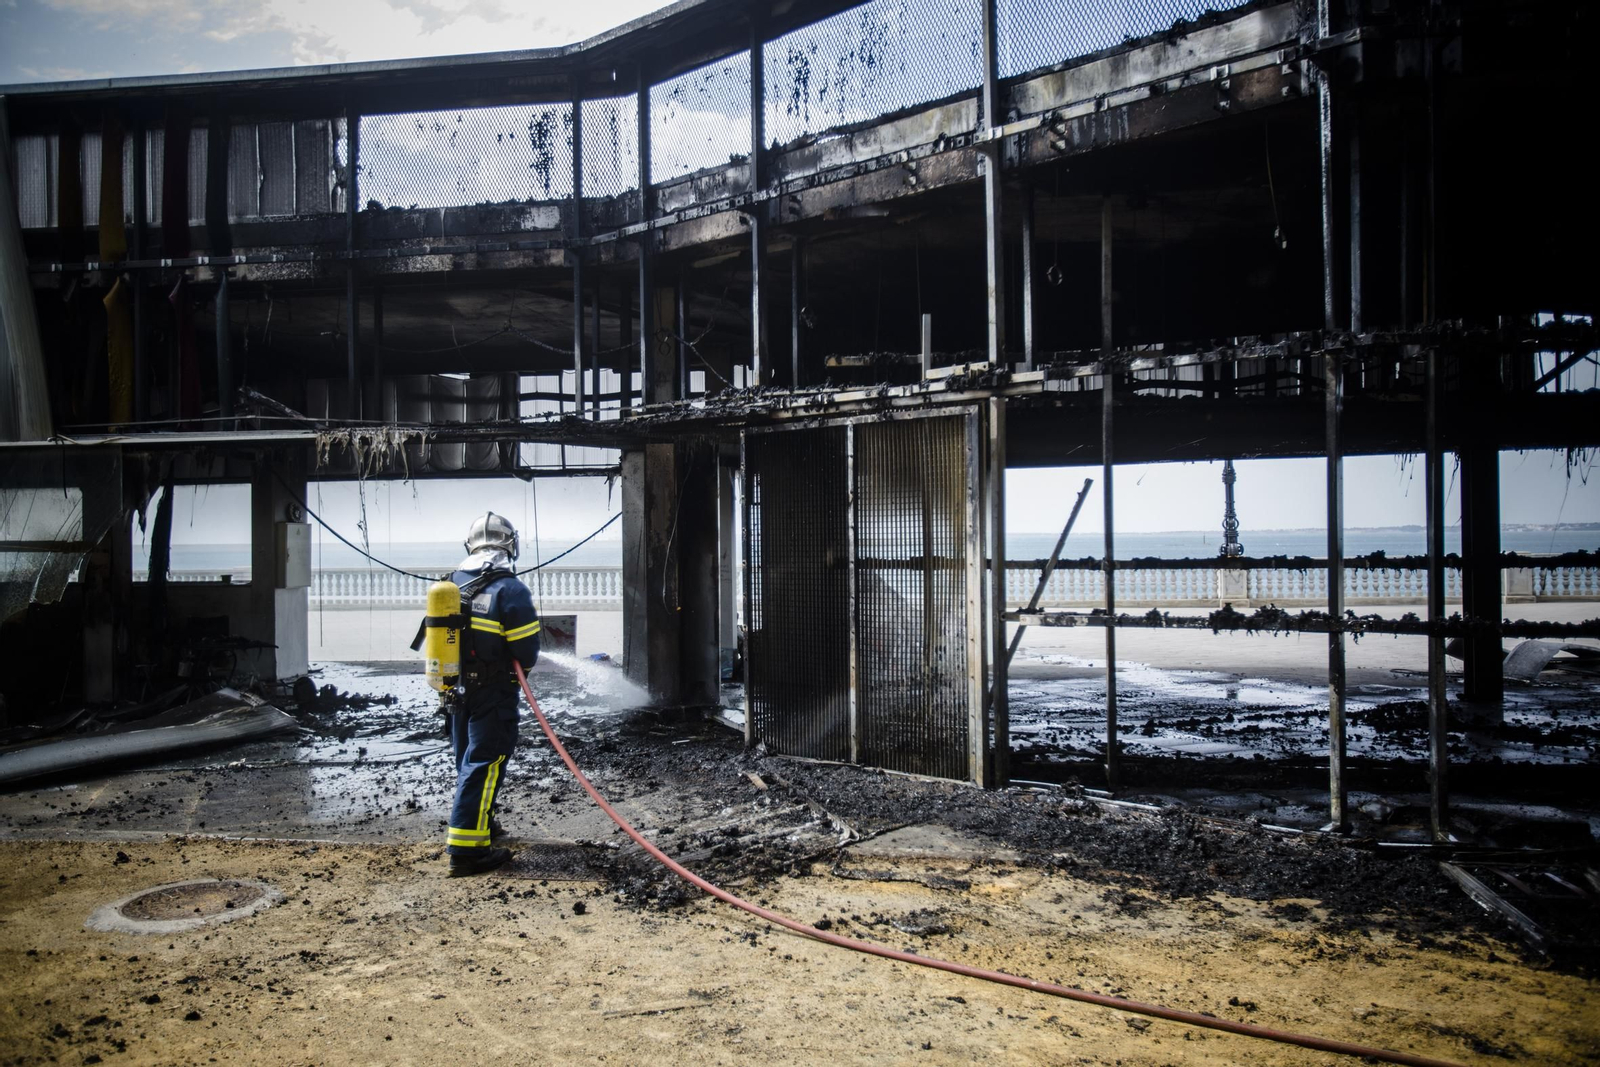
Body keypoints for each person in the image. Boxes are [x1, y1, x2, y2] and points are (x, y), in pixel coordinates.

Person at [443, 511, 540, 876]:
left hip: (457, 689)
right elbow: (526, 650)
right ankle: (467, 851)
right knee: (486, 761)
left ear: (470, 545)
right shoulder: (510, 590)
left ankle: (481, 822)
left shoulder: (451, 583)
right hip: (493, 690)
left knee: (467, 759)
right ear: (510, 546)